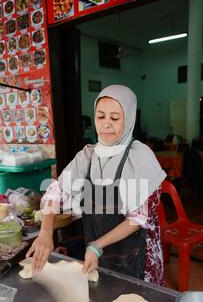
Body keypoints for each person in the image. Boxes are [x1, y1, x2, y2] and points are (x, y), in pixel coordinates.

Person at [27, 85, 167, 285]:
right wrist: (45, 231)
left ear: (128, 119)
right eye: (101, 117)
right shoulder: (88, 155)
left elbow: (137, 219)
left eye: (115, 118)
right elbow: (55, 192)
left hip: (136, 253)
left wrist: (96, 246)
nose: (106, 124)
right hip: (96, 251)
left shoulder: (140, 157)